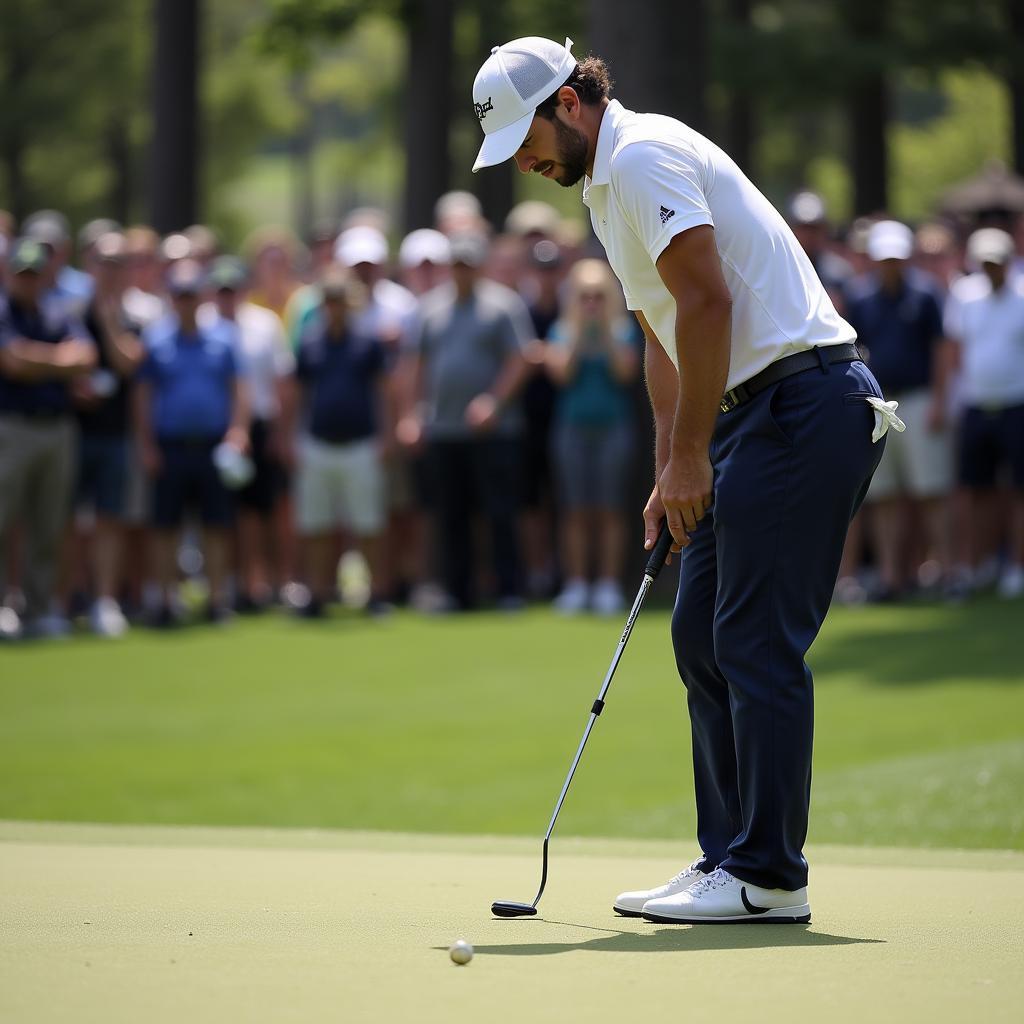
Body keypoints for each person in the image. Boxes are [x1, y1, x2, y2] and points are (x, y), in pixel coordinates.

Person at [472, 36, 898, 922]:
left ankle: (770, 876)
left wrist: (694, 452)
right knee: (701, 636)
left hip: (803, 402)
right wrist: (673, 463)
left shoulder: (643, 156)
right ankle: (728, 860)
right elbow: (662, 333)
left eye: (528, 139)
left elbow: (709, 302)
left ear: (570, 104)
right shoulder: (600, 187)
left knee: (752, 643)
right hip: (747, 415)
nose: (524, 162)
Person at [401, 232, 531, 611]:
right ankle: (459, 592)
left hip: (495, 430)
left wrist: (493, 401)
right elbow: (417, 364)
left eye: (468, 265)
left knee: (499, 511)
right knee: (451, 514)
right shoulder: (430, 309)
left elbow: (520, 359)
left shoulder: (503, 305)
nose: (462, 272)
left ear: (480, 267)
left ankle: (508, 589)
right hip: (444, 429)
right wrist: (412, 413)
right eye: (457, 265)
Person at [134, 259, 250, 625]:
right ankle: (166, 601)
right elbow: (143, 396)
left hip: (213, 444)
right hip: (169, 445)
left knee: (216, 525)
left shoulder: (223, 337)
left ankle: (217, 600)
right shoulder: (155, 339)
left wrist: (238, 431)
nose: (186, 301)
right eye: (180, 295)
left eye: (192, 294)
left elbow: (238, 390)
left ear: (203, 297)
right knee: (165, 526)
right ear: (171, 298)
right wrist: (146, 444)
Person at [845, 220, 953, 598]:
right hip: (879, 404)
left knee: (931, 490)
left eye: (896, 258)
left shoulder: (926, 295)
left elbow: (941, 351)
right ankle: (891, 577)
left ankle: (946, 573)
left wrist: (941, 401)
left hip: (921, 399)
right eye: (884, 258)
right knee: (884, 495)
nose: (891, 265)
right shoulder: (860, 297)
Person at [0, 238, 97, 639]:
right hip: (13, 428)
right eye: (21, 273)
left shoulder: (58, 312)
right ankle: (5, 605)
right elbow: (12, 362)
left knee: (47, 523)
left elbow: (86, 357)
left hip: (56, 429)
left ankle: (39, 609)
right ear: (10, 275)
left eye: (34, 273)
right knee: (3, 520)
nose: (28, 280)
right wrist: (59, 362)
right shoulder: (3, 312)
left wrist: (37, 359)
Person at [289, 266, 393, 617]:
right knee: (317, 526)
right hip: (318, 444)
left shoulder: (368, 342)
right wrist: (291, 438)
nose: (334, 307)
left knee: (368, 525)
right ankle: (318, 594)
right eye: (329, 301)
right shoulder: (309, 342)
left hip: (360, 443)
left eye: (340, 301)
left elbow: (383, 392)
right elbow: (297, 394)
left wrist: (387, 436)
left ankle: (375, 592)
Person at [200, 256, 296, 610]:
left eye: (233, 289)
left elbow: (282, 381)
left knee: (264, 510)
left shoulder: (264, 323)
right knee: (225, 514)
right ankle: (234, 584)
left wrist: (279, 432)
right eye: (221, 290)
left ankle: (269, 583)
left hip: (259, 425)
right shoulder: (202, 324)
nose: (227, 296)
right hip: (215, 429)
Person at [546, 258, 639, 614]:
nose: (591, 303)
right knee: (576, 509)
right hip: (571, 429)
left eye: (598, 295)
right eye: (584, 296)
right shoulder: (562, 331)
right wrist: (580, 333)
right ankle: (577, 583)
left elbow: (624, 373)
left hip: (613, 428)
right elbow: (562, 375)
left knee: (609, 508)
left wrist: (603, 332)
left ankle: (607, 584)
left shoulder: (622, 330)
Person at [72, 232, 145, 636]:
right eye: (103, 261)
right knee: (68, 522)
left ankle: (104, 600)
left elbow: (127, 363)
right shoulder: (67, 312)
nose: (109, 270)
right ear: (89, 263)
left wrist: (107, 318)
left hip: (116, 434)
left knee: (109, 519)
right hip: (73, 431)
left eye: (117, 263)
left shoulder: (131, 317)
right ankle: (66, 599)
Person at [945, 228, 1024, 600]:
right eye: (986, 263)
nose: (992, 270)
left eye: (998, 263)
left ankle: (1016, 566)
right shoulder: (963, 296)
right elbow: (954, 350)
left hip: (1017, 404)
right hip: (975, 406)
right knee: (975, 491)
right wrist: (950, 401)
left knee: (1017, 491)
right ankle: (977, 565)